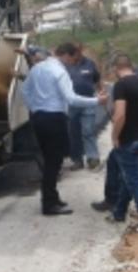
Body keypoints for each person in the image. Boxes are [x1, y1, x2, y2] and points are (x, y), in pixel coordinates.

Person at [22, 43, 106, 216]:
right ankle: (49, 204)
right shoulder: (60, 72)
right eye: (73, 58)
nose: (73, 62)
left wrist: (35, 108)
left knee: (49, 160)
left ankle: (52, 197)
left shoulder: (37, 68)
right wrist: (96, 101)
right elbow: (71, 98)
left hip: (39, 118)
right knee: (54, 162)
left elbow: (25, 91)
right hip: (54, 118)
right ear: (66, 55)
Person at [92, 65, 138, 217]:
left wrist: (115, 137)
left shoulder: (124, 85)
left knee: (136, 177)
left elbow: (120, 115)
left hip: (131, 138)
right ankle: (119, 208)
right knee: (125, 170)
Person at [106, 55, 138, 235]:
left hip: (129, 141)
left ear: (116, 69)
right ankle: (119, 213)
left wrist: (114, 136)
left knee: (135, 182)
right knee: (129, 178)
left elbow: (120, 115)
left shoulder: (121, 86)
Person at [67, 45, 102, 170]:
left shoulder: (90, 64)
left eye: (75, 52)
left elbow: (97, 79)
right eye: (71, 53)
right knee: (74, 132)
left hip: (88, 101)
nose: (73, 56)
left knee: (88, 130)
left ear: (80, 52)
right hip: (72, 104)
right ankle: (77, 160)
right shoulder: (66, 65)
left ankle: (93, 157)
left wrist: (100, 93)